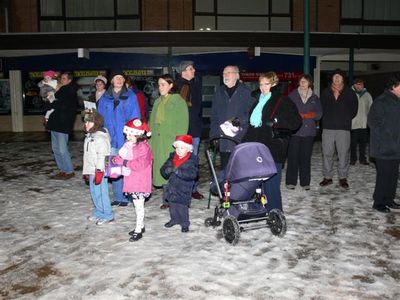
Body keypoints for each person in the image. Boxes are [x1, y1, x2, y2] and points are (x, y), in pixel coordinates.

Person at [242, 72, 302, 212]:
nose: (263, 87)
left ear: (274, 84)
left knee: (272, 185)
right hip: (256, 149)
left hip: (272, 149)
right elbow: (253, 126)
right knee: (259, 184)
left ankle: (275, 214)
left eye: (266, 84)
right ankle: (262, 210)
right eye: (261, 84)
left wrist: (276, 122)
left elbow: (296, 122)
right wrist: (243, 143)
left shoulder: (282, 100)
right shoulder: (257, 102)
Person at [98, 70, 140, 206]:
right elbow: (99, 118)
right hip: (110, 138)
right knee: (114, 166)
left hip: (125, 138)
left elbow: (135, 117)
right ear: (111, 81)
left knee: (127, 167)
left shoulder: (130, 96)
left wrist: (133, 136)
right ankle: (118, 196)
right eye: (116, 77)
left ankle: (127, 194)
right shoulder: (104, 97)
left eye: (121, 78)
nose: (119, 80)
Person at [148, 74, 189, 209]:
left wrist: (180, 143)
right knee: (162, 170)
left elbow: (183, 124)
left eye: (163, 84)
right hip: (158, 142)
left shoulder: (178, 101)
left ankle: (175, 200)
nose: (160, 88)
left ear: (171, 85)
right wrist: (149, 138)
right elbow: (152, 122)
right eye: (159, 85)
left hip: (172, 142)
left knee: (173, 171)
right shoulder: (157, 102)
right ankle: (166, 199)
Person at [113, 118, 153, 241]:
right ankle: (140, 226)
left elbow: (139, 164)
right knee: (136, 205)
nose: (128, 137)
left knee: (139, 206)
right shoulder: (130, 145)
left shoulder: (143, 148)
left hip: (140, 182)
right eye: (128, 134)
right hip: (132, 180)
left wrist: (123, 162)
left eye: (132, 134)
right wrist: (117, 159)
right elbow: (124, 156)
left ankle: (138, 230)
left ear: (139, 135)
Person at [319, 69, 358, 189]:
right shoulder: (326, 92)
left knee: (343, 154)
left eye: (339, 77)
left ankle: (343, 178)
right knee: (327, 153)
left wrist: (344, 119)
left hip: (343, 128)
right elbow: (321, 109)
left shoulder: (349, 93)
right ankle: (327, 177)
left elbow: (354, 110)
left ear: (343, 79)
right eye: (335, 77)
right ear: (332, 79)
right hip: (328, 128)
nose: (337, 79)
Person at [210, 65, 254, 168]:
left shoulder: (246, 92)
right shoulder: (219, 92)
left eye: (228, 73)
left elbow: (251, 114)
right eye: (224, 73)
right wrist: (213, 135)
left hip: (240, 138)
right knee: (226, 170)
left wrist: (235, 123)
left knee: (240, 170)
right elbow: (214, 115)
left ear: (237, 76)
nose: (225, 75)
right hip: (223, 140)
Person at [367, 74, 400, 213]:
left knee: (393, 175)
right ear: (393, 86)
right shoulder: (381, 101)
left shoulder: (398, 101)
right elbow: (373, 122)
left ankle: (388, 199)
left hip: (396, 146)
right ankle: (378, 202)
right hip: (383, 146)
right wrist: (388, 134)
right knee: (384, 175)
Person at [285, 74, 322, 191]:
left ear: (309, 83)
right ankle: (291, 181)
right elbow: (287, 111)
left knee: (305, 158)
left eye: (305, 82)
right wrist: (297, 116)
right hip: (295, 131)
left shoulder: (314, 98)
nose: (303, 84)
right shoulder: (292, 96)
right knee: (293, 157)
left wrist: (310, 115)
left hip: (308, 132)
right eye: (301, 81)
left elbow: (319, 114)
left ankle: (305, 182)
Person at [175, 60, 204, 200]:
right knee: (181, 160)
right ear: (183, 72)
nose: (193, 71)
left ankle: (193, 188)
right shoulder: (179, 87)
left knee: (193, 161)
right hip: (183, 130)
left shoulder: (195, 85)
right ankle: (181, 188)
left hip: (195, 129)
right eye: (190, 69)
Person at [160, 135, 198, 233]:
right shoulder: (172, 158)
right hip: (172, 187)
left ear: (188, 149)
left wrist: (178, 172)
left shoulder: (191, 160)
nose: (179, 150)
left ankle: (185, 223)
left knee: (182, 208)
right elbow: (163, 169)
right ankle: (174, 219)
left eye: (182, 148)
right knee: (172, 206)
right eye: (177, 147)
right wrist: (166, 170)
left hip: (184, 188)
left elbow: (192, 174)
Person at [82, 110, 114, 225]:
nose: (86, 125)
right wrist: (87, 170)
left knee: (101, 192)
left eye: (89, 122)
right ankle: (99, 211)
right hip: (92, 170)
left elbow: (102, 156)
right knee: (94, 192)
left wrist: (100, 171)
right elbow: (88, 156)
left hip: (99, 171)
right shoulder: (90, 136)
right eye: (85, 122)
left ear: (96, 123)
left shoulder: (100, 137)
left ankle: (107, 214)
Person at [46, 71, 78, 180]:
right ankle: (62, 170)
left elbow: (57, 104)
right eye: (61, 78)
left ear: (69, 80)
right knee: (55, 149)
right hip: (55, 123)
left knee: (62, 149)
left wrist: (51, 101)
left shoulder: (68, 90)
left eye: (64, 78)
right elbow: (53, 102)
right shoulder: (60, 89)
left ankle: (69, 170)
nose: (62, 80)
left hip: (62, 123)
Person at [350, 78, 373, 165]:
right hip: (353, 123)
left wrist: (370, 121)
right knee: (353, 143)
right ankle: (353, 159)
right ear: (354, 85)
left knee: (363, 143)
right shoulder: (350, 94)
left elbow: (371, 108)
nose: (359, 86)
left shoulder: (368, 95)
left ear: (363, 85)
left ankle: (362, 159)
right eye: (357, 84)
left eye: (361, 84)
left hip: (364, 123)